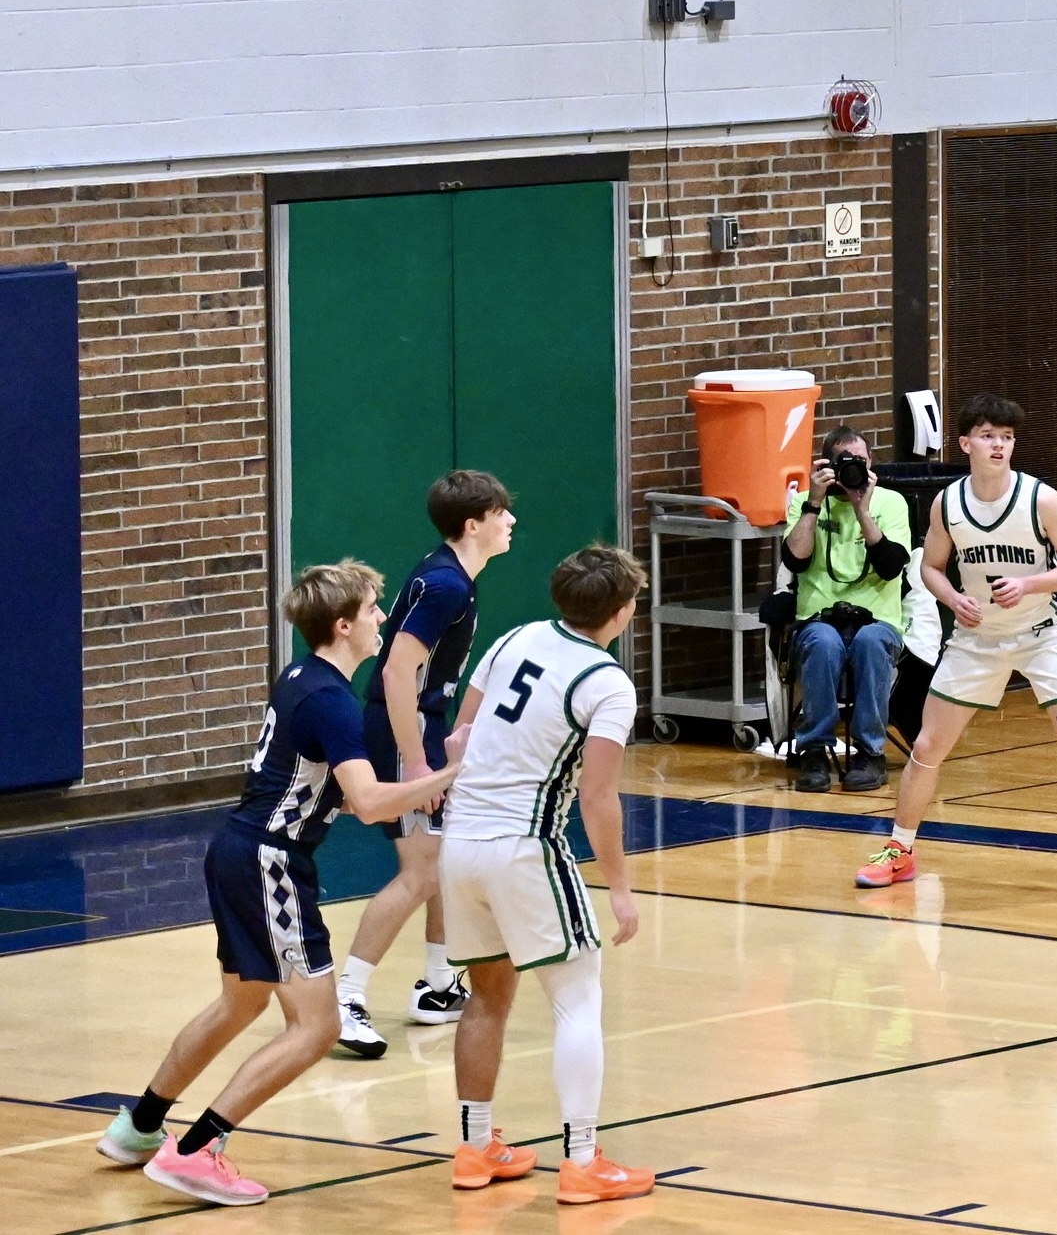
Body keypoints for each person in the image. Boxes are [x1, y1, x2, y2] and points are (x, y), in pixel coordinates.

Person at [94, 563, 467, 1206]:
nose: (384, 618)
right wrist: (447, 775)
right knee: (317, 1027)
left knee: (241, 1002)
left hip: (239, 848)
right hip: (271, 862)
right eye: (375, 609)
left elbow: (318, 786)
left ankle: (139, 1128)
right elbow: (373, 803)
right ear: (344, 624)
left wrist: (351, 799)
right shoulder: (331, 699)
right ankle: (196, 1150)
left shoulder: (301, 677)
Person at [850, 394, 1057, 901]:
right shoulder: (950, 502)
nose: (999, 446)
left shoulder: (1041, 499)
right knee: (926, 748)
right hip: (976, 640)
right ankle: (900, 851)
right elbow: (930, 566)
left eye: (1007, 438)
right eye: (989, 436)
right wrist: (951, 597)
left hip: (1040, 636)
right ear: (966, 442)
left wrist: (1031, 583)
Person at [440, 546, 656, 1204]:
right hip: (523, 845)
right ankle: (583, 1161)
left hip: (461, 840)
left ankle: (475, 1151)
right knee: (578, 995)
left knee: (486, 995)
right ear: (622, 613)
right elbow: (597, 797)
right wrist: (619, 886)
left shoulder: (515, 638)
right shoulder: (608, 683)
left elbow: (460, 734)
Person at [334, 471, 515, 1060]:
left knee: (443, 858)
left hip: (422, 727)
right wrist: (415, 760)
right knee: (421, 869)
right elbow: (394, 673)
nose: (511, 522)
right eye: (501, 513)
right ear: (473, 523)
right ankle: (347, 997)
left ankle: (439, 985)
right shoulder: (445, 586)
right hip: (401, 731)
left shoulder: (450, 575)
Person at [781, 425, 914, 793]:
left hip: (878, 621)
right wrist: (813, 502)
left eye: (859, 461)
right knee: (823, 644)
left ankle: (871, 753)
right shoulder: (806, 502)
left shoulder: (891, 503)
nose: (853, 469)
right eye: (844, 462)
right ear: (825, 465)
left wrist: (862, 509)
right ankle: (813, 751)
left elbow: (891, 566)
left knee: (871, 643)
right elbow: (795, 560)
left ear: (872, 464)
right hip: (819, 619)